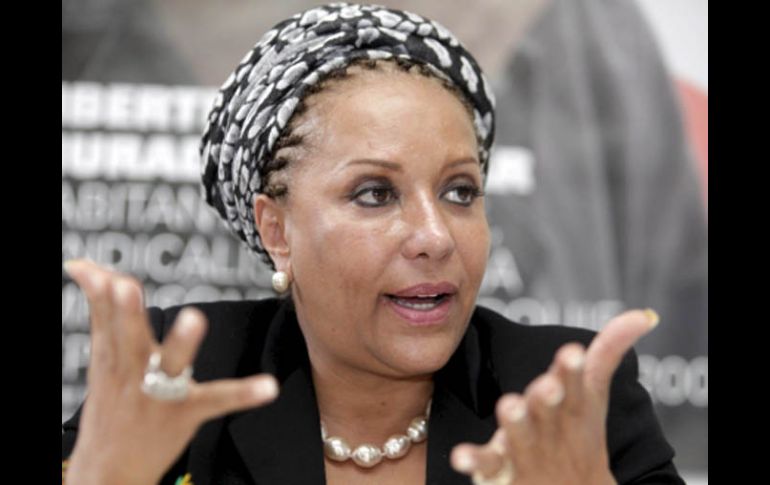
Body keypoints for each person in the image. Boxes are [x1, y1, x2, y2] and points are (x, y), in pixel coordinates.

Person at [61, 3, 685, 484]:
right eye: (375, 194)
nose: (435, 237)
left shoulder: (566, 399)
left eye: (460, 191)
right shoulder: (186, 377)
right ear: (277, 231)